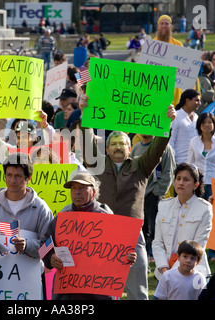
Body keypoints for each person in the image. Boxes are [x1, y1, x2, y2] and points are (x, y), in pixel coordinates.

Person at [82, 97, 177, 300]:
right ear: (106, 149)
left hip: (132, 233)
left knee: (137, 288)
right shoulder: (96, 165)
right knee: (102, 287)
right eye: (113, 144)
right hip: (102, 232)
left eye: (122, 144)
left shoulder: (141, 165)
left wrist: (166, 123)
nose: (118, 147)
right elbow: (86, 142)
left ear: (129, 148)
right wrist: (85, 115)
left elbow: (158, 148)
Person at [43, 171, 136, 300]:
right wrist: (50, 257)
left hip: (98, 292)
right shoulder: (62, 218)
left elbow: (120, 253)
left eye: (82, 188)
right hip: (66, 293)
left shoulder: (107, 218)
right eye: (73, 188)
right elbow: (43, 246)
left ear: (93, 192)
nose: (77, 192)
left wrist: (128, 258)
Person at [0, 152, 53, 260]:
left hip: (31, 275)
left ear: (28, 178)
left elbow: (49, 247)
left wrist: (27, 246)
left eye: (18, 176)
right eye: (9, 175)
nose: (12, 181)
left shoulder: (41, 208)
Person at [152, 163, 213, 282]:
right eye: (178, 178)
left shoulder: (205, 208)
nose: (181, 183)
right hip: (164, 274)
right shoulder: (163, 205)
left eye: (186, 180)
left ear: (196, 185)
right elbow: (158, 242)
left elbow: (198, 245)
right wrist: (164, 269)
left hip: (193, 274)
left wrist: (174, 272)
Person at [130, 134, 176, 260]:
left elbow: (169, 171)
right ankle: (143, 255)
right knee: (141, 228)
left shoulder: (165, 148)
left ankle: (154, 255)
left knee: (154, 227)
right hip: (138, 195)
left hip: (153, 196)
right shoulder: (136, 148)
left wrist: (157, 192)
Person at [187, 113, 215, 200]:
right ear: (199, 125)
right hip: (198, 182)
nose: (207, 125)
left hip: (214, 182)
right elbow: (190, 163)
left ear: (214, 124)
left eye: (209, 122)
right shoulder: (193, 141)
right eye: (204, 122)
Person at [169, 89, 201, 164]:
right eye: (197, 100)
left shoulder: (196, 117)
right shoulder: (175, 116)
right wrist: (172, 160)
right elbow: (171, 140)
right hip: (179, 162)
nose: (199, 103)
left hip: (194, 163)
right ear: (187, 101)